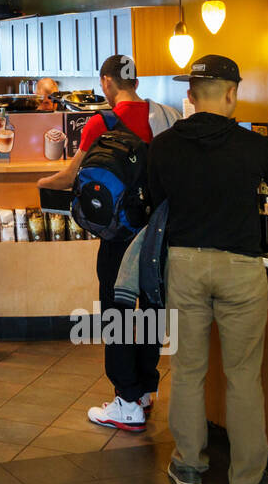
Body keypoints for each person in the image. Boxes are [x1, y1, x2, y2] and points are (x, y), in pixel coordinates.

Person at [148, 55, 268, 484]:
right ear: (231, 94)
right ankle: (247, 479)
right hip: (240, 268)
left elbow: (151, 200)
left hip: (184, 265)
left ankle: (188, 466)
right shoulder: (254, 145)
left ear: (190, 97)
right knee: (243, 374)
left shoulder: (163, 145)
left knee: (187, 371)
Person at [38, 55, 171, 432]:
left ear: (106, 82)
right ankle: (144, 390)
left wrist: (41, 186)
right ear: (137, 81)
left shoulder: (100, 122)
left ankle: (124, 402)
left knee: (116, 312)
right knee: (150, 310)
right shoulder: (164, 117)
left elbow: (70, 176)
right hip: (156, 232)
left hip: (118, 234)